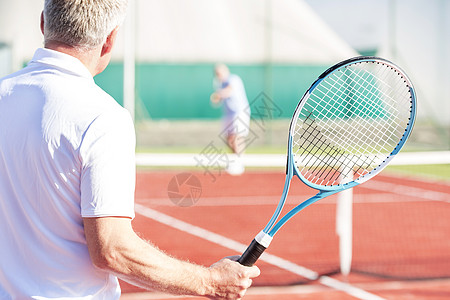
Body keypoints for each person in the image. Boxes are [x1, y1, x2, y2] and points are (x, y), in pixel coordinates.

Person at [0, 1, 259, 299]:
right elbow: (112, 249)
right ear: (110, 38)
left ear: (44, 22)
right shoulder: (103, 118)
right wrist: (210, 281)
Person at [211, 64, 251, 176]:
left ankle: (240, 163)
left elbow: (229, 90)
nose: (218, 75)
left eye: (219, 73)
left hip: (240, 112)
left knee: (237, 137)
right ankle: (235, 161)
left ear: (225, 71)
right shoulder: (220, 83)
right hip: (229, 114)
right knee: (229, 138)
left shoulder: (233, 79)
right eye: (217, 74)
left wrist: (218, 95)